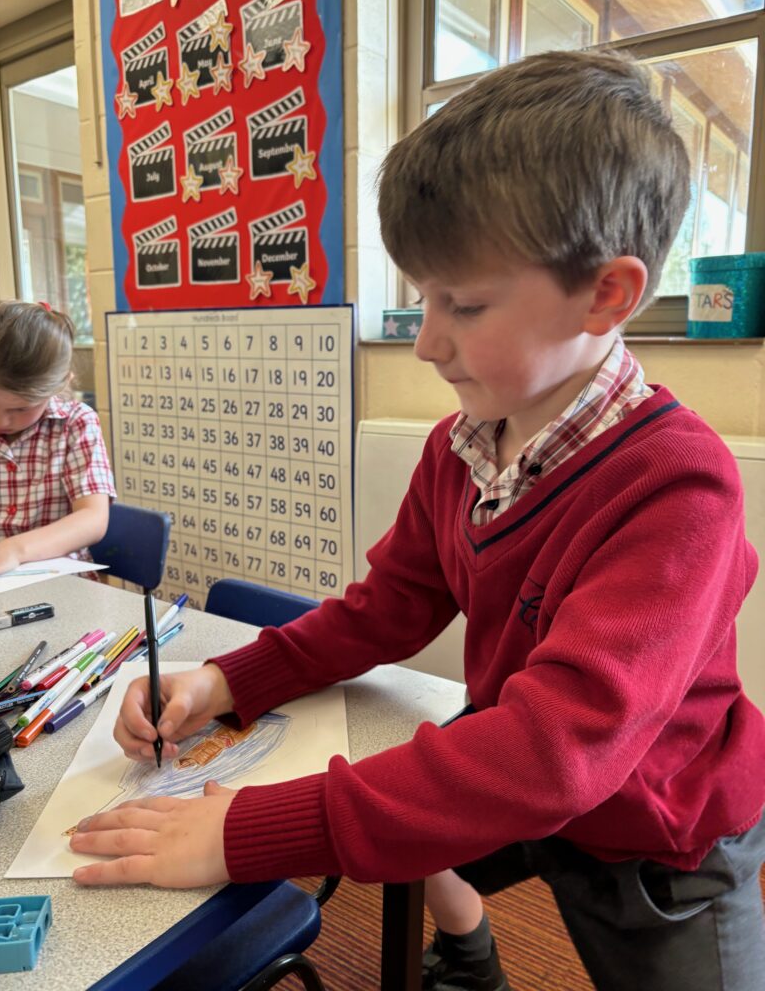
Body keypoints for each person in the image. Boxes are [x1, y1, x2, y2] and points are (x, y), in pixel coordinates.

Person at [70, 50, 765, 991]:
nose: (429, 340)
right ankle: (473, 958)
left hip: (659, 838)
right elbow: (385, 610)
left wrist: (247, 829)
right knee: (413, 806)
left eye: (464, 305)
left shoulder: (680, 487)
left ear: (608, 294)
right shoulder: (460, 443)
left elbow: (553, 750)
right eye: (423, 297)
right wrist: (226, 680)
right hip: (533, 785)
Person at [0, 299, 115, 574]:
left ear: (60, 384)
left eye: (20, 409)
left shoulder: (76, 423)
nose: (2, 420)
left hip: (58, 583)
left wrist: (14, 550)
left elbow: (93, 519)